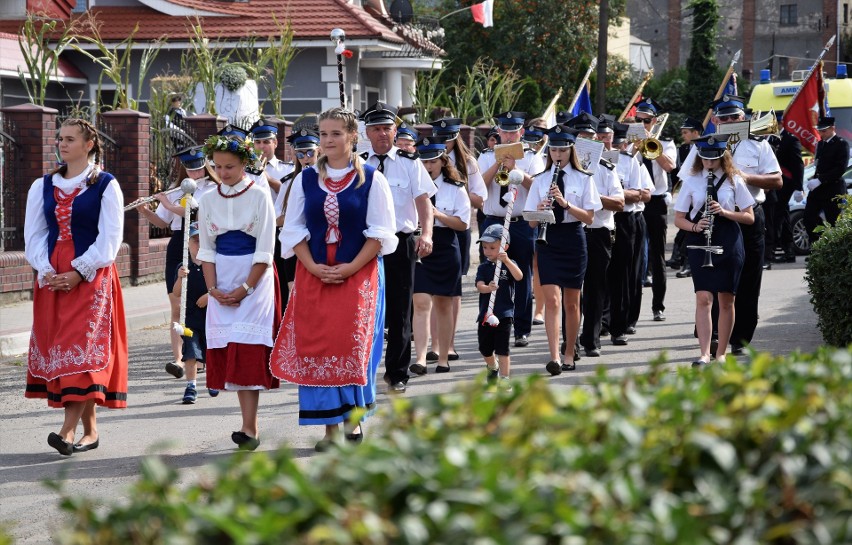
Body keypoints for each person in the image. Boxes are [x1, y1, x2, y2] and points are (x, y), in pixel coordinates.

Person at [270, 107, 397, 451]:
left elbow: (380, 233)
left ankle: (352, 420)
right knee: (318, 347)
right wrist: (313, 267)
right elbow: (293, 229)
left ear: (353, 136)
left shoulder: (372, 178)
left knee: (352, 346)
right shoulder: (305, 180)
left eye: (336, 134)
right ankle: (328, 429)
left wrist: (349, 267)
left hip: (360, 273)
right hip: (313, 273)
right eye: (323, 134)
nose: (327, 141)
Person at [24, 118, 128, 455]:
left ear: (89, 144)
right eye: (60, 139)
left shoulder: (105, 185)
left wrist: (79, 271)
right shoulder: (43, 186)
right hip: (53, 275)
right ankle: (92, 431)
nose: (62, 144)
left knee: (82, 355)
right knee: (71, 354)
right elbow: (35, 234)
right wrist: (47, 267)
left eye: (70, 139)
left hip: (91, 275)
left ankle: (66, 433)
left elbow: (110, 238)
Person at [197, 135, 279, 451]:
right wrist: (213, 289)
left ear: (244, 163)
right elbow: (205, 248)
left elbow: (265, 250)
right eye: (217, 166)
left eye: (229, 166)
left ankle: (250, 427)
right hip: (220, 274)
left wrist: (245, 288)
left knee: (247, 349)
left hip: (253, 278)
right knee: (228, 346)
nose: (223, 172)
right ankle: (248, 426)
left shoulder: (259, 196)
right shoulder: (207, 198)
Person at [359, 102, 435, 394]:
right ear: (367, 132)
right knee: (365, 309)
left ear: (395, 130)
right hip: (366, 244)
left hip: (401, 242)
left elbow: (423, 202)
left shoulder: (410, 162)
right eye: (376, 129)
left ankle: (397, 373)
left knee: (401, 310)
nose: (382, 134)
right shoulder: (357, 162)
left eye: (387, 128)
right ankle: (363, 369)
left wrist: (426, 234)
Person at [702, 95, 782, 354]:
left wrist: (745, 175)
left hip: (749, 215)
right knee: (714, 275)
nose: (729, 121)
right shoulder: (707, 145)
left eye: (734, 117)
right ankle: (713, 333)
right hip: (718, 215)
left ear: (743, 119)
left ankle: (742, 338)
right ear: (716, 121)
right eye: (724, 118)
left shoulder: (758, 146)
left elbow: (777, 180)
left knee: (749, 278)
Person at [524, 125, 601, 375]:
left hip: (573, 238)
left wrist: (565, 204)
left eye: (562, 149)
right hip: (548, 239)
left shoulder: (584, 177)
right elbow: (531, 221)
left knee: (571, 302)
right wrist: (541, 206)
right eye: (554, 149)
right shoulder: (540, 179)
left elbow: (589, 217)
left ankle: (569, 351)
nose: (558, 154)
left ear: (571, 150)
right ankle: (555, 355)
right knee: (552, 300)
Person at [137, 147, 219, 379]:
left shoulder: (214, 188)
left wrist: (169, 202)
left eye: (200, 168)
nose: (196, 174)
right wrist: (145, 210)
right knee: (177, 306)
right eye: (191, 170)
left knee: (202, 304)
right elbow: (162, 222)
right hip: (177, 246)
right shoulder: (176, 190)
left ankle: (202, 355)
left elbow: (195, 211)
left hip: (201, 243)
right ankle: (179, 358)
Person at [673, 134, 755, 367]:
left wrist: (725, 212)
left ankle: (721, 353)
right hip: (700, 240)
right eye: (705, 159)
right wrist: (695, 226)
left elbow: (749, 217)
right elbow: (679, 219)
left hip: (728, 240)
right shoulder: (691, 181)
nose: (709, 163)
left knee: (727, 299)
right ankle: (704, 352)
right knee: (703, 297)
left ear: (723, 157)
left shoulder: (734, 181)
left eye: (714, 159)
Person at [478, 111, 545, 348]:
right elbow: (478, 187)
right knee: (491, 272)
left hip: (522, 222)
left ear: (521, 132)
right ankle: (490, 320)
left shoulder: (532, 156)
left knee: (522, 274)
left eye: (512, 131)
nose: (508, 135)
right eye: (504, 131)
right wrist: (498, 164)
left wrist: (517, 170)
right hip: (494, 220)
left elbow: (539, 186)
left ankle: (522, 328)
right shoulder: (486, 156)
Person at [426, 117, 487, 363]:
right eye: (441, 139)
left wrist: (456, 187)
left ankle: (448, 343)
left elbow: (480, 198)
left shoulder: (467, 162)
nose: (445, 144)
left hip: (454, 229)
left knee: (452, 291)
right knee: (428, 290)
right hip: (430, 229)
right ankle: (434, 343)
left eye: (448, 139)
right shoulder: (425, 158)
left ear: (455, 138)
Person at [409, 137, 471, 375]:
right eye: (423, 161)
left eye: (433, 161)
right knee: (421, 302)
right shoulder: (412, 186)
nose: (428, 166)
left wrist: (437, 214)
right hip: (420, 245)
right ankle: (422, 358)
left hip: (445, 245)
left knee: (444, 305)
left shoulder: (455, 187)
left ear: (442, 161)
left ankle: (443, 357)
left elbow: (463, 224)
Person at [579, 115, 624, 358]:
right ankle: (569, 340)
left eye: (589, 137)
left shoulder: (606, 168)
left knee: (595, 289)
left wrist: (593, 197)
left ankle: (591, 340)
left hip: (598, 233)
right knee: (571, 291)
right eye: (580, 137)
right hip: (572, 232)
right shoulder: (560, 169)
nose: (585, 141)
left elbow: (619, 202)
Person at [608, 122, 652, 347]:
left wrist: (615, 194)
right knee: (599, 277)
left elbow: (641, 194)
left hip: (626, 219)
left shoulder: (630, 161)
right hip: (601, 219)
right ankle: (599, 323)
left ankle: (620, 324)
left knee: (624, 276)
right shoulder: (593, 162)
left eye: (614, 141)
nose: (612, 145)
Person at [633, 98, 677, 323]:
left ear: (654, 121)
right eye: (638, 119)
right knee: (635, 255)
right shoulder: (632, 140)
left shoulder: (666, 143)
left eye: (646, 120)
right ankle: (632, 310)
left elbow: (669, 166)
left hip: (657, 201)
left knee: (658, 256)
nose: (642, 124)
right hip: (636, 200)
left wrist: (650, 143)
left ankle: (658, 305)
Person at [171, 222, 217, 403]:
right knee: (191, 351)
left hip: (211, 318)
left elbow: (220, 287)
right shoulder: (184, 266)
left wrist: (209, 295)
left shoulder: (212, 264)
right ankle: (191, 386)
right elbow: (176, 293)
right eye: (194, 240)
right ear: (187, 243)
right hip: (190, 318)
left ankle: (213, 380)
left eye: (201, 240)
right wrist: (182, 278)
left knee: (211, 351)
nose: (198, 244)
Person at [475, 224, 523, 388]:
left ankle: (505, 378)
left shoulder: (509, 264)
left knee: (503, 349)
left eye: (492, 247)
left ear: (504, 247)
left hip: (504, 314)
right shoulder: (483, 267)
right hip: (486, 315)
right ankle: (492, 366)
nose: (487, 251)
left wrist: (507, 260)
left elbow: (519, 276)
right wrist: (488, 288)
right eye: (485, 247)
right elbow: (479, 286)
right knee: (485, 348)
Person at [275, 128, 320, 297]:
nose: (306, 159)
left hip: (318, 244)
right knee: (296, 297)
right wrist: (295, 218)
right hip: (294, 247)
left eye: (310, 153)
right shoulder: (289, 182)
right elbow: (277, 219)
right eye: (300, 155)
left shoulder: (327, 179)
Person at [804, 115, 850, 243]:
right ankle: (817, 247)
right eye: (820, 131)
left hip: (833, 189)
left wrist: (821, 180)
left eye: (824, 131)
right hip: (819, 189)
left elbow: (841, 168)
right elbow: (818, 165)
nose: (821, 133)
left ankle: (833, 250)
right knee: (809, 218)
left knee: (834, 221)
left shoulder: (842, 144)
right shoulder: (820, 144)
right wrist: (814, 180)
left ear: (832, 128)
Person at [669, 117, 705, 278]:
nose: (683, 135)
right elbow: (679, 173)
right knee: (684, 231)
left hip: (699, 195)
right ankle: (681, 260)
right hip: (687, 193)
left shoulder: (704, 147)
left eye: (686, 132)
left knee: (689, 232)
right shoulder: (684, 149)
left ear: (695, 132)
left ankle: (685, 262)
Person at [772, 129, 804, 262]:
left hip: (786, 183)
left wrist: (799, 187)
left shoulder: (791, 139)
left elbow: (798, 164)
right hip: (774, 182)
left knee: (777, 216)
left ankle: (772, 249)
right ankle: (788, 250)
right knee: (783, 216)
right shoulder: (771, 139)